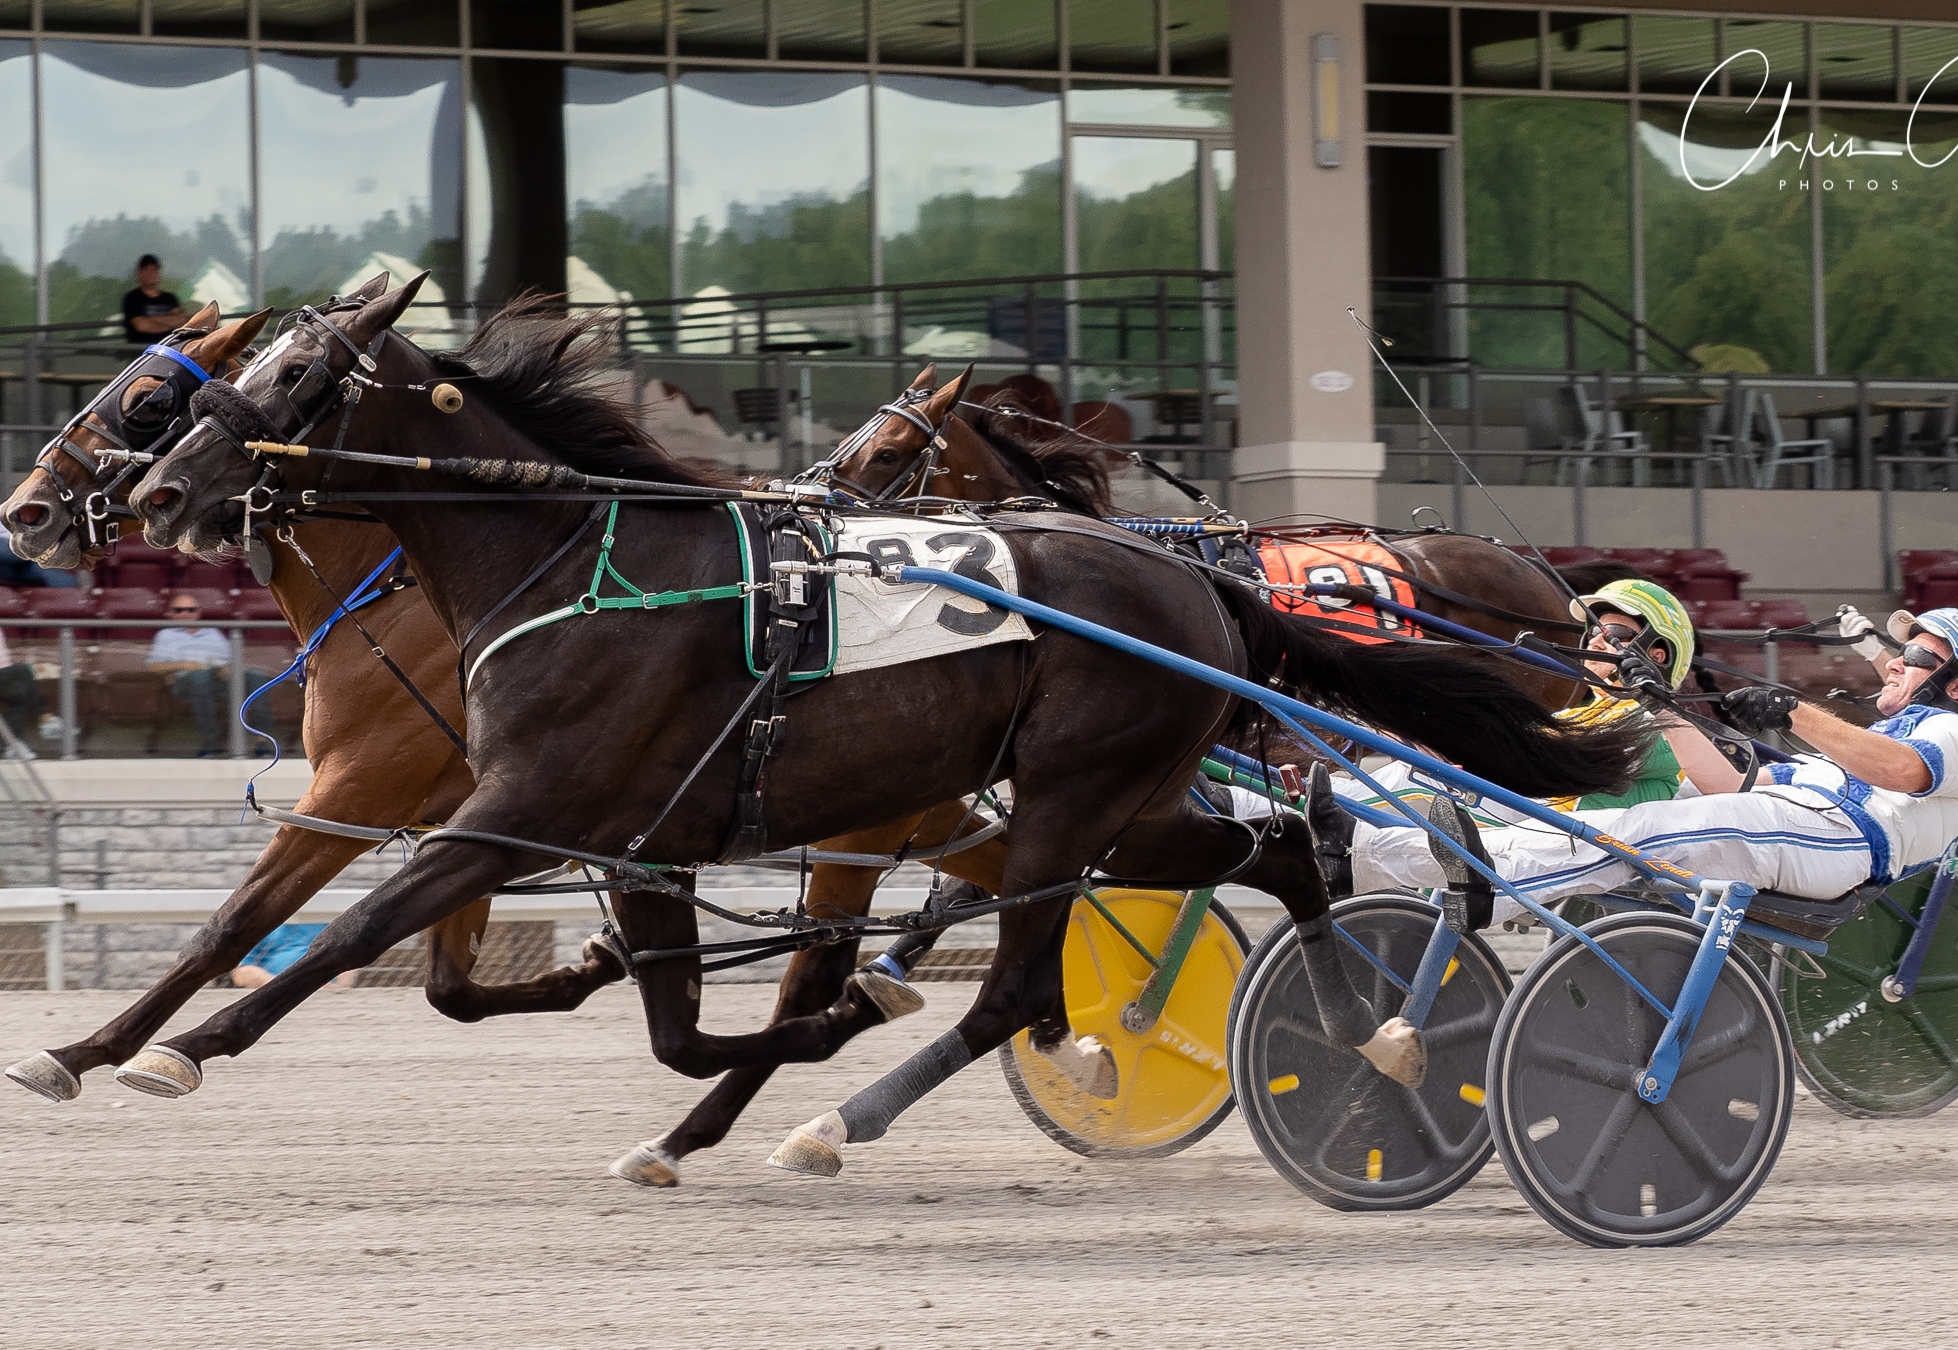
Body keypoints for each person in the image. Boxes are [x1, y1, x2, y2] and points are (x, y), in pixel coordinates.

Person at [1307, 605, 1958, 928]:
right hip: (1792, 827)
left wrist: (1794, 712)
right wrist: (1662, 705)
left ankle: (1480, 891)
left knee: (1637, 833)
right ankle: (1364, 852)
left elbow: (1901, 771)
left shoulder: (1948, 731)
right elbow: (1728, 784)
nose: (1896, 661)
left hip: (1838, 843)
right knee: (1616, 831)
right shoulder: (1871, 743)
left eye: (1918, 658)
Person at [147, 594, 272, 756]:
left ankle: (262, 742)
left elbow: (233, 659)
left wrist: (228, 668)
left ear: (198, 613)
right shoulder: (166, 635)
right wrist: (182, 664)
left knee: (256, 676)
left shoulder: (213, 632)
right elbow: (153, 667)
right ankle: (209, 743)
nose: (185, 614)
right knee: (200, 678)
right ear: (170, 613)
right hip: (184, 682)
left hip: (219, 679)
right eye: (179, 610)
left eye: (190, 610)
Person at [234, 923, 357, 989]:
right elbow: (242, 971)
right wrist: (281, 987)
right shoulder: (261, 921)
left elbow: (348, 960)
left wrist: (338, 988)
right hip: (272, 995)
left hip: (324, 992)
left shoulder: (326, 915)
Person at [121, 254, 187, 345]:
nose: (152, 273)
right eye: (147, 269)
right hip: (142, 353)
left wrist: (151, 319)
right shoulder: (132, 298)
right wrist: (170, 323)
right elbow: (142, 326)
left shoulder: (169, 298)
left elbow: (181, 320)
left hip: (169, 351)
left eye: (155, 269)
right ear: (140, 273)